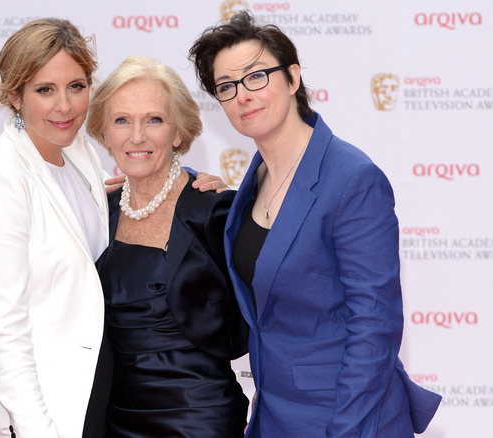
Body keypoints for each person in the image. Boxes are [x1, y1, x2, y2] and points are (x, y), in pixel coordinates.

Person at [0, 18, 226, 438]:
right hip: (34, 415)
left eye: (76, 86)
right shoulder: (1, 182)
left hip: (98, 404)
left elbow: (146, 181)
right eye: (44, 90)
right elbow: (3, 331)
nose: (64, 106)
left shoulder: (80, 152)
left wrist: (189, 184)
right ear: (15, 95)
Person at [188, 11, 441, 437]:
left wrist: (345, 429)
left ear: (292, 77)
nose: (242, 96)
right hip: (274, 413)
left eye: (256, 77)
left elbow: (374, 324)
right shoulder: (254, 181)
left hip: (348, 415)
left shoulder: (352, 179)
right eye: (226, 87)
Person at [85, 56, 249, 437]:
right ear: (105, 133)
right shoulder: (94, 211)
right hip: (115, 421)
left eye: (154, 120)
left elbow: (261, 318)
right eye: (122, 120)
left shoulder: (213, 208)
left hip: (199, 419)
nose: (136, 136)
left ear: (177, 132)